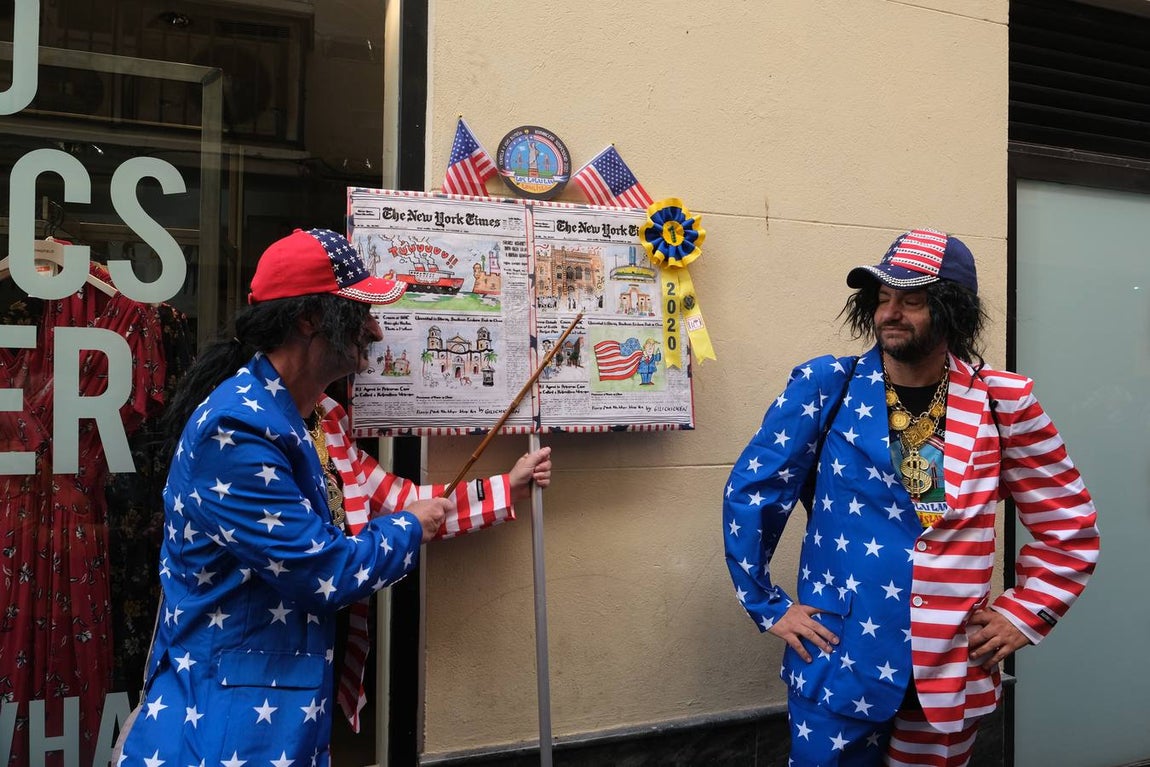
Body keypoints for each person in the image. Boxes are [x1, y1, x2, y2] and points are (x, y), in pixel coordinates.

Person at [114, 228, 552, 766]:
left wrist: (509, 485)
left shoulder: (318, 420)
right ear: (308, 320)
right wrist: (409, 527)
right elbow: (326, 569)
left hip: (282, 717)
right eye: (360, 310)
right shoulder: (237, 429)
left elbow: (401, 499)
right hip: (221, 726)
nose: (374, 327)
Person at [722, 228, 1099, 767]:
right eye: (883, 298)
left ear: (952, 311)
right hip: (840, 662)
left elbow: (1071, 526)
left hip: (949, 671)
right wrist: (766, 603)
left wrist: (1024, 613)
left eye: (912, 299)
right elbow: (751, 493)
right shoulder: (827, 386)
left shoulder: (1003, 404)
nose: (891, 312)